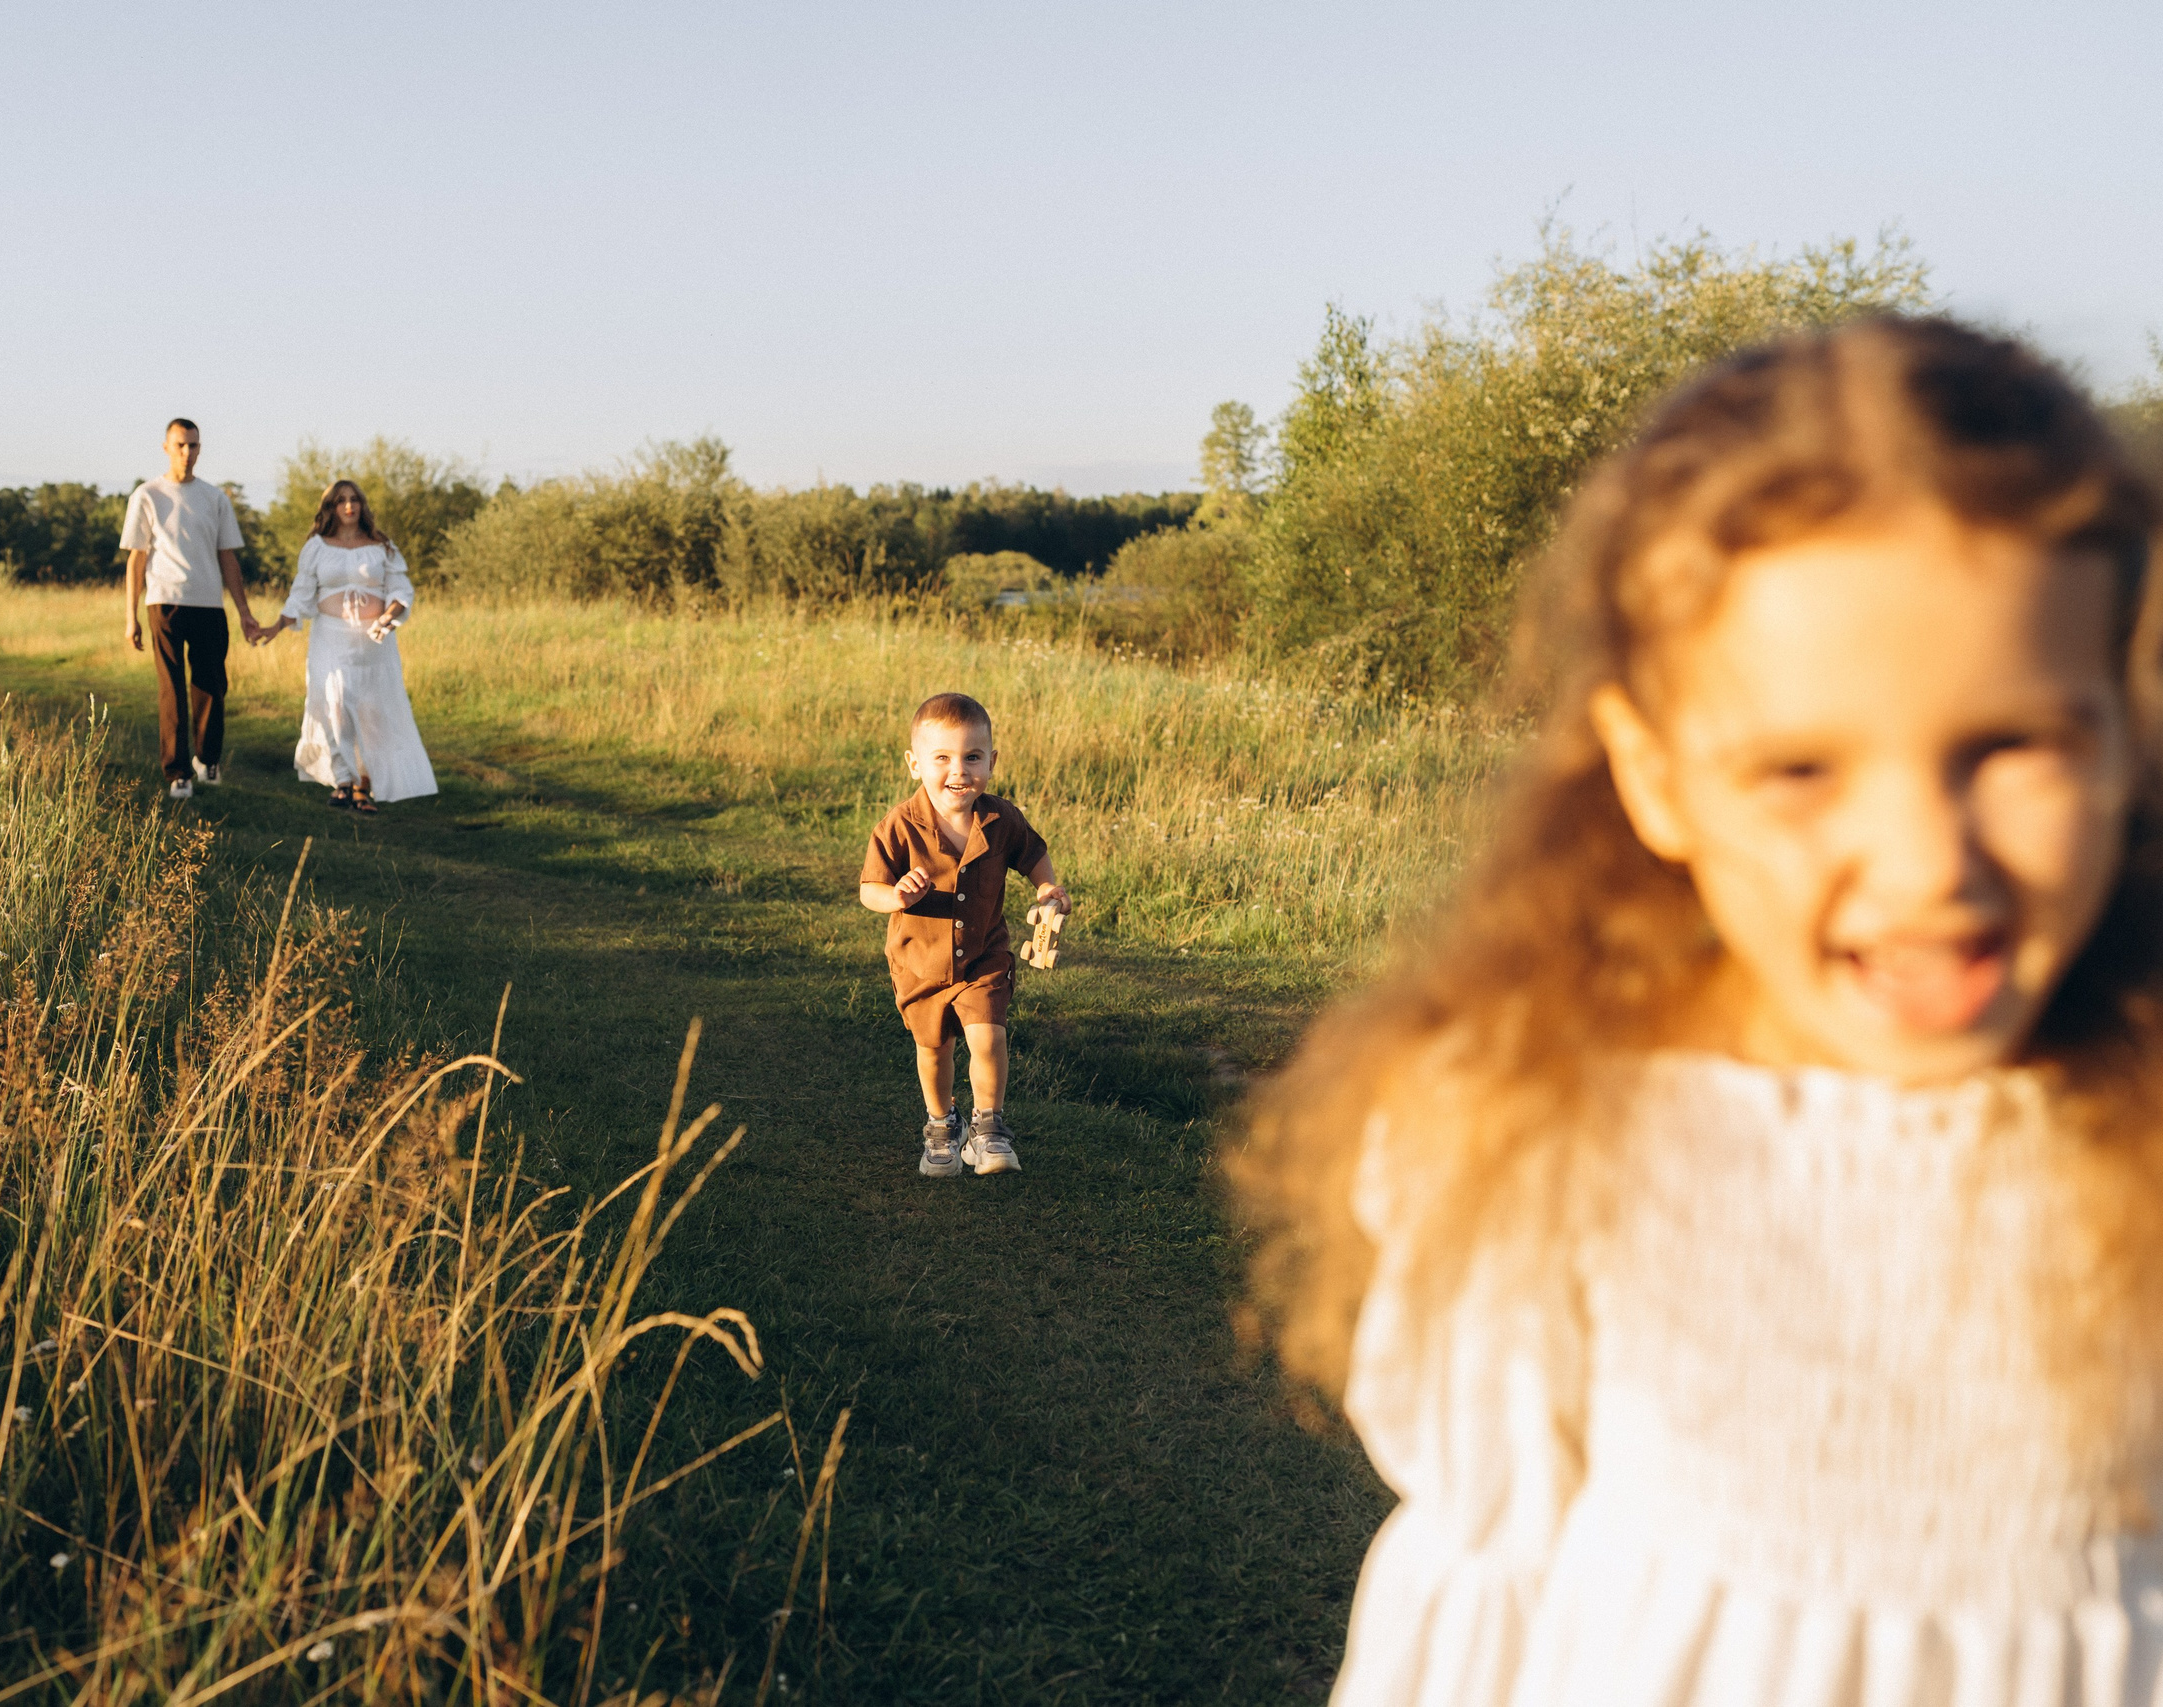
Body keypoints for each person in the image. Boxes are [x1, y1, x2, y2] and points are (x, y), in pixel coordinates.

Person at [1228, 315, 2163, 1703]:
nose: (1926, 863)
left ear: (2126, 729)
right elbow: (1486, 1585)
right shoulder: (1547, 1118)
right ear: (1654, 776)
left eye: (2013, 745)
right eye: (1798, 767)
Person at [859, 693, 1069, 1177]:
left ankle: (988, 1128)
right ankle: (940, 1125)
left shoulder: (1000, 819)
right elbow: (870, 888)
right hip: (920, 962)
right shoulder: (898, 825)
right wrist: (896, 897)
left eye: (972, 757)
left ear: (991, 762)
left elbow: (1032, 853)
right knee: (934, 1051)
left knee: (989, 1037)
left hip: (983, 956)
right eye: (943, 758)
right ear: (915, 764)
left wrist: (1047, 888)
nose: (959, 770)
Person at [257, 478, 438, 813]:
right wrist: (278, 624)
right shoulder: (317, 546)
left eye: (354, 499)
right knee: (334, 703)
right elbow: (301, 593)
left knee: (372, 710)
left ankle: (364, 786)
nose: (349, 506)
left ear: (362, 505)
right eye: (341, 501)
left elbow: (401, 589)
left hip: (374, 640)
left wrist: (389, 617)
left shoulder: (381, 545)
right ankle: (343, 780)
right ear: (331, 508)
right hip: (331, 637)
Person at [120, 418, 265, 800]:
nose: (187, 453)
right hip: (165, 602)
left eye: (194, 446)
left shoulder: (215, 498)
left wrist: (244, 612)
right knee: (172, 688)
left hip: (208, 603)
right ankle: (178, 772)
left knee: (212, 685)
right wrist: (130, 617)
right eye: (181, 445)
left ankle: (206, 758)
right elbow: (136, 560)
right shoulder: (147, 495)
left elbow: (228, 558)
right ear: (166, 447)